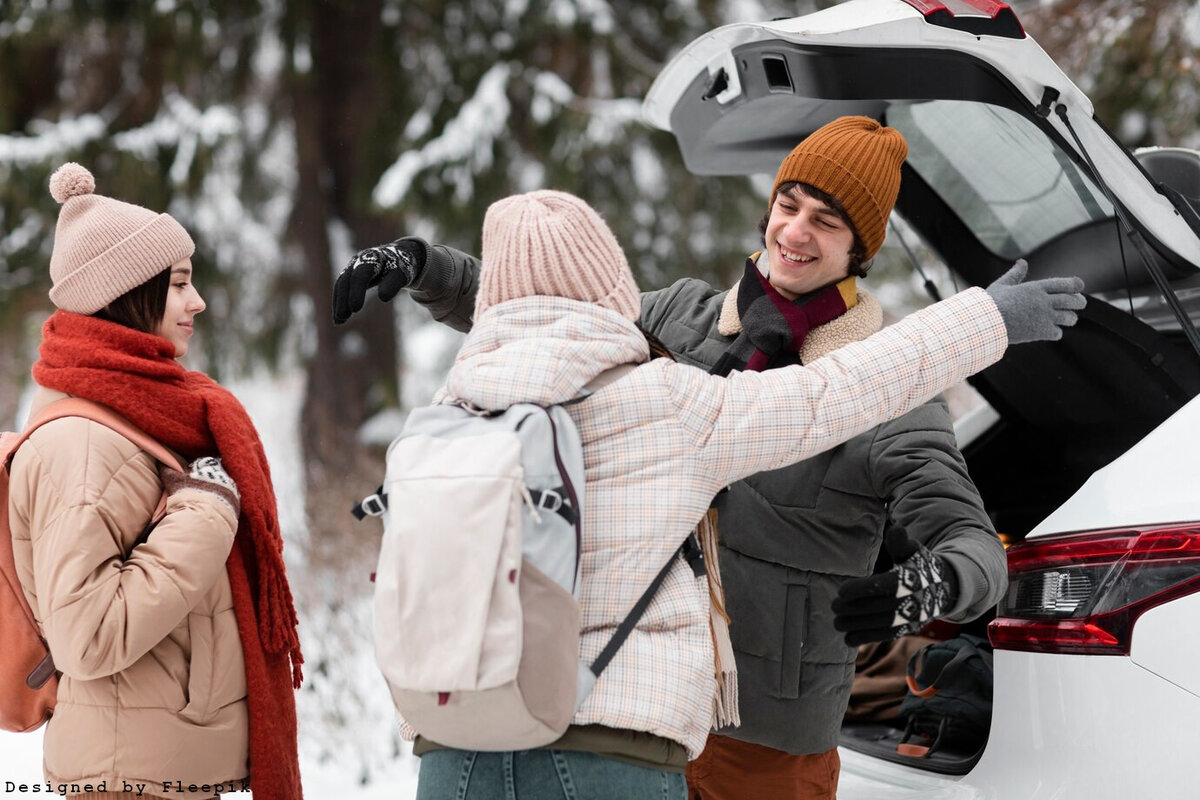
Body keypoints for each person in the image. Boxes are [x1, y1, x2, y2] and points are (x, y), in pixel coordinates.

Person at [333, 117, 1065, 798]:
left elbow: (975, 545)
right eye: (790, 203)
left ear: (859, 249)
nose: (796, 231)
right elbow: (558, 313)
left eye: (826, 220)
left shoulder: (893, 390)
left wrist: (931, 585)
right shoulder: (679, 316)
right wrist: (429, 269)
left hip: (765, 746)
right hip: (630, 706)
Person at [7, 164, 305, 800]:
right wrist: (207, 507)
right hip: (129, 775)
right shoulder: (83, 444)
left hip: (155, 763)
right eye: (177, 285)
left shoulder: (139, 417)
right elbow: (89, 637)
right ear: (126, 294)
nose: (196, 302)